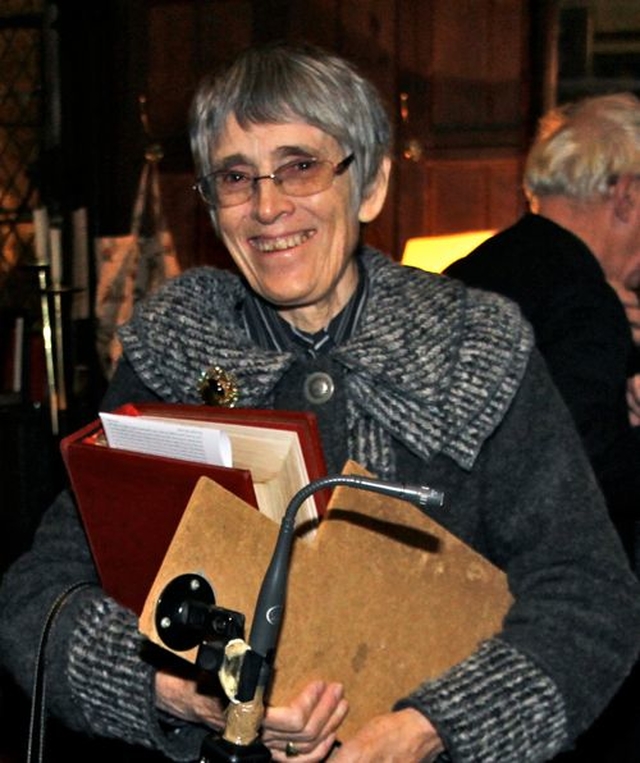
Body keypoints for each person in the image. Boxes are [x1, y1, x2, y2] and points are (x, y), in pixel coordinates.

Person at [1, 43, 640, 763]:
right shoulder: (175, 352)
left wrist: (424, 731)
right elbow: (40, 594)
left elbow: (592, 601)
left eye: (301, 166)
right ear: (212, 207)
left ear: (369, 185)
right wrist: (175, 687)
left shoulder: (474, 349)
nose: (268, 206)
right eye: (236, 177)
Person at [445, 92, 640, 762]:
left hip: (438, 608)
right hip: (532, 631)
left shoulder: (471, 271)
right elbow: (588, 488)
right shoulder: (586, 306)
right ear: (625, 194)